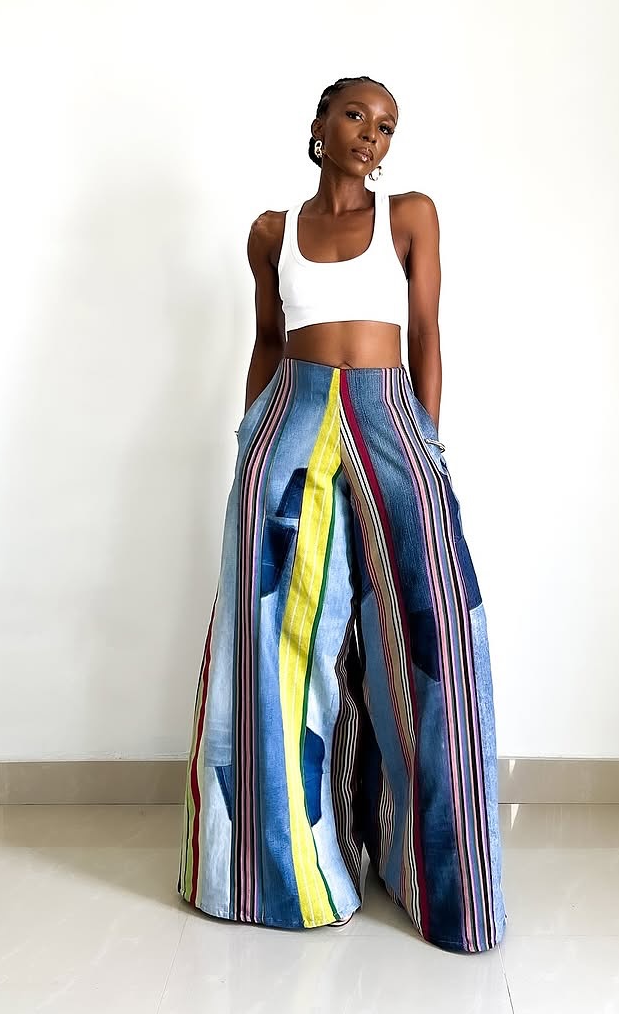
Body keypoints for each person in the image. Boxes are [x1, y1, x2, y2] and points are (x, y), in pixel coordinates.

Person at [177, 75, 505, 953]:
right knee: (268, 629)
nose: (372, 134)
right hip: (290, 414)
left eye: (387, 125)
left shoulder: (411, 215)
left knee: (437, 626)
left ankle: (437, 878)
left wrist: (428, 440)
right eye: (357, 115)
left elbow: (427, 334)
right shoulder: (271, 231)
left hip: (391, 414)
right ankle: (280, 870)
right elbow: (266, 339)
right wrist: (250, 433)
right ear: (320, 123)